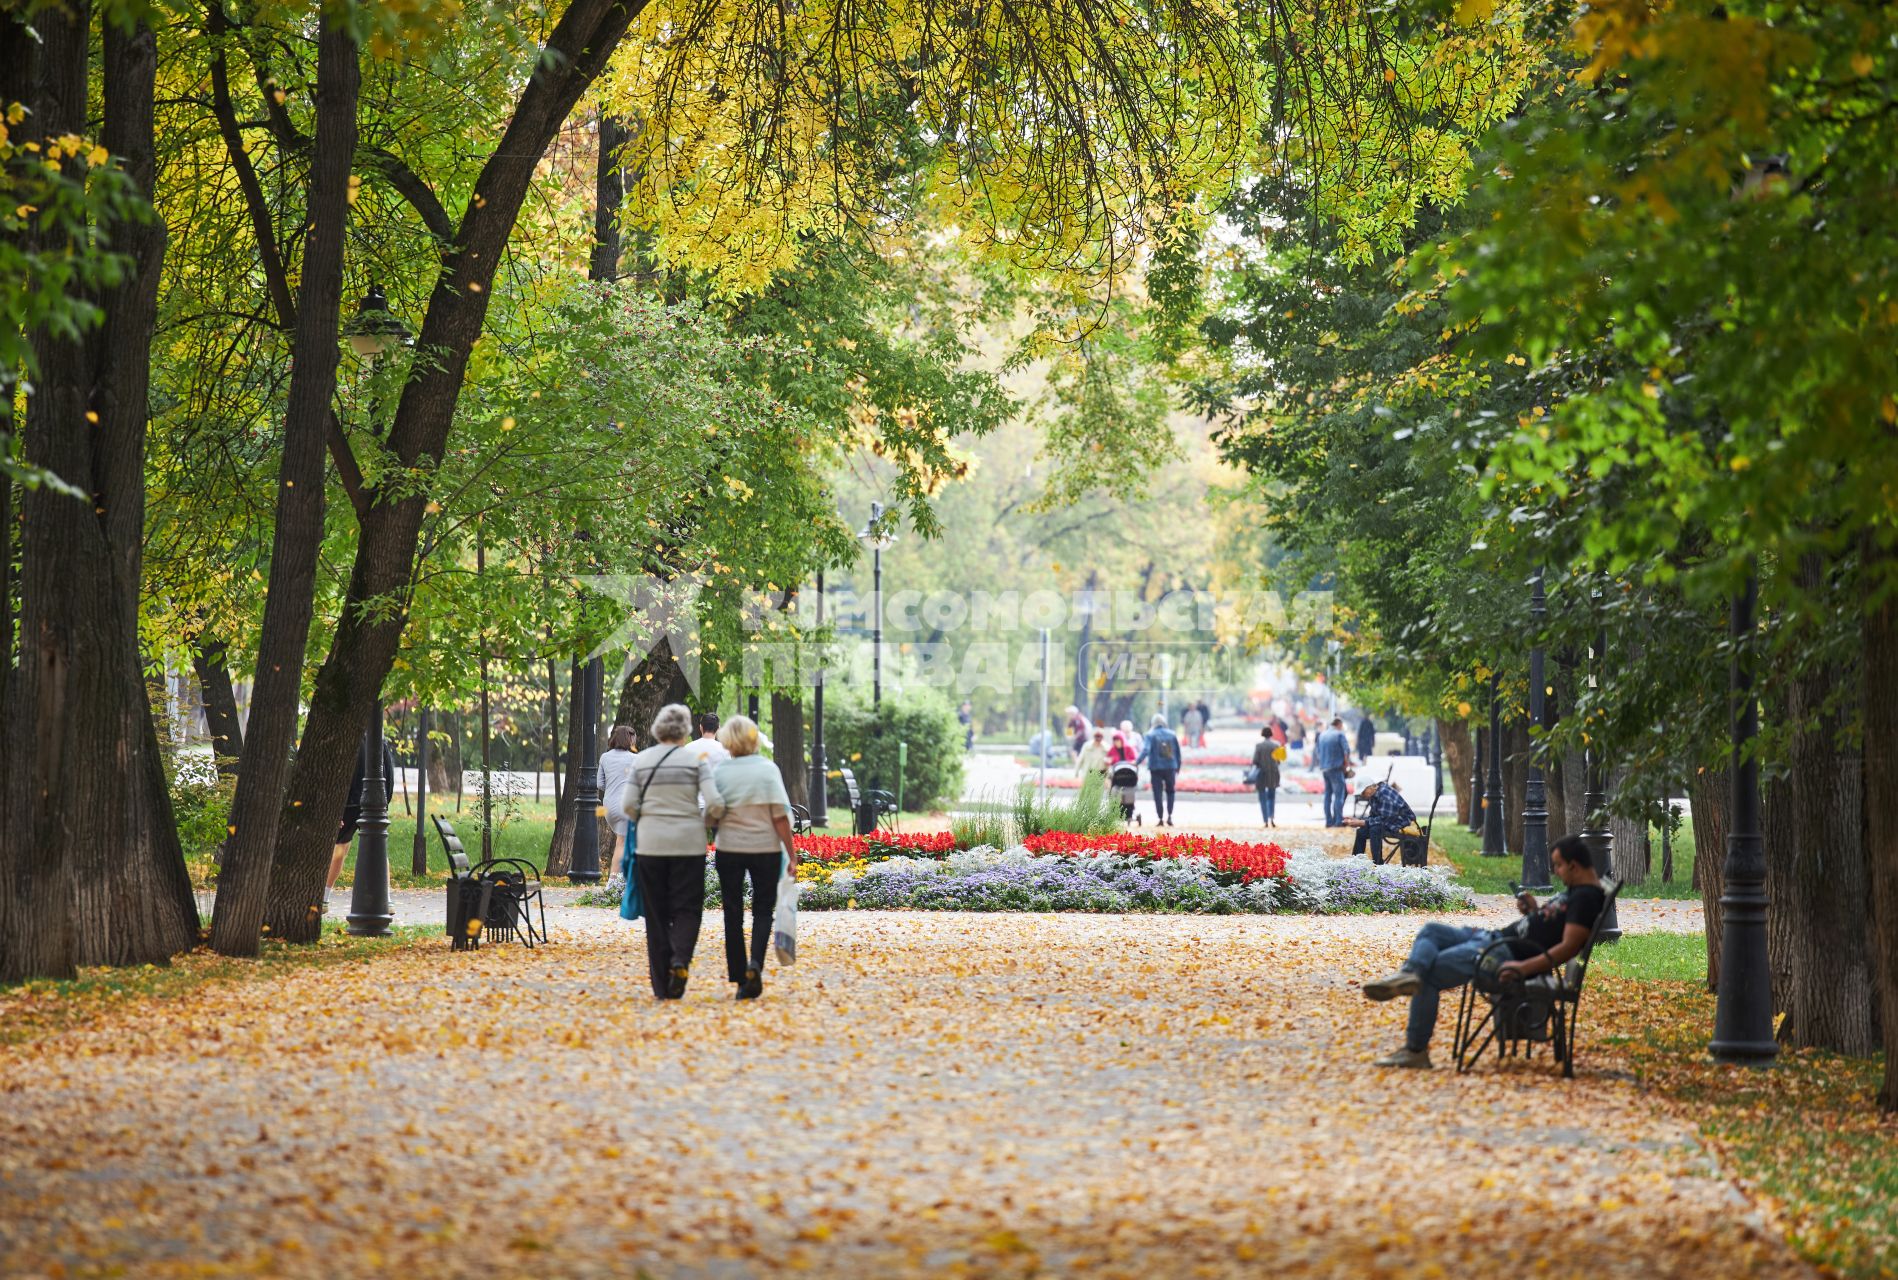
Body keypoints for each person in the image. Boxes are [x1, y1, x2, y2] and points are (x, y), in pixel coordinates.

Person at [1362, 834, 1606, 1069]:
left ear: (1574, 866)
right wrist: (1533, 912)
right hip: (1495, 939)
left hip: (1502, 955)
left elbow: (1567, 948)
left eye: (1559, 866)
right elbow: (1549, 930)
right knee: (1431, 931)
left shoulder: (1585, 899)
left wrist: (1522, 967)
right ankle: (1409, 974)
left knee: (1431, 972)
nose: (1557, 872)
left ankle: (1415, 1050)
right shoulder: (1577, 891)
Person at [623, 703, 721, 1000]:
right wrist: (699, 821)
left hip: (650, 847)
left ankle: (661, 986)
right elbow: (715, 803)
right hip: (688, 846)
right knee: (688, 908)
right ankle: (679, 960)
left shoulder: (642, 761)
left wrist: (650, 818)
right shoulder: (696, 761)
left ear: (657, 728)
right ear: (686, 730)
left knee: (656, 914)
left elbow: (628, 805)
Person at [707, 715, 797, 1000]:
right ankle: (755, 965)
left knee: (732, 912)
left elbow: (712, 814)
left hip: (730, 849)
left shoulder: (721, 772)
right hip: (765, 849)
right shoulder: (768, 770)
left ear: (729, 741)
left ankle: (739, 974)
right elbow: (780, 817)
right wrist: (792, 855)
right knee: (762, 910)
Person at [327, 734, 397, 910]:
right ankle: (386, 899)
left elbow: (339, 775)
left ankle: (324, 896)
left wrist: (336, 806)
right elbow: (389, 772)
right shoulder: (379, 740)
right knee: (378, 848)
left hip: (350, 802)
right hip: (374, 802)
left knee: (340, 848)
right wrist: (384, 801)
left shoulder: (347, 739)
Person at [599, 725, 638, 888]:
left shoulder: (604, 757)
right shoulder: (634, 759)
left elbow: (600, 784)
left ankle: (623, 880)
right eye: (633, 738)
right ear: (629, 739)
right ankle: (613, 883)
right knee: (622, 842)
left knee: (625, 840)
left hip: (609, 806)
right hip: (626, 805)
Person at [1343, 779, 1415, 864]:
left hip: (1402, 821)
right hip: (1389, 820)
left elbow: (1385, 819)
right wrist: (1359, 821)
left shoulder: (1384, 794)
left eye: (1363, 792)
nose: (1362, 795)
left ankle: (1378, 864)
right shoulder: (1374, 795)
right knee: (1361, 832)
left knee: (1375, 829)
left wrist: (1362, 822)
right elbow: (1374, 817)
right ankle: (1356, 863)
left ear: (1369, 787)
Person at [1137, 712, 1182, 826]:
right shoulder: (1172, 734)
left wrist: (1136, 762)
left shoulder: (1150, 735)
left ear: (1153, 724)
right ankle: (1170, 816)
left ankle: (1160, 818)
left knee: (1157, 793)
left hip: (1155, 768)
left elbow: (1146, 750)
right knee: (1171, 791)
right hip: (1170, 767)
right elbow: (1177, 752)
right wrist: (1178, 767)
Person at [1313, 716, 1353, 827]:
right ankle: (1338, 821)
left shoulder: (1322, 735)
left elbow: (1318, 752)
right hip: (1336, 768)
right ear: (1339, 724)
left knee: (1327, 795)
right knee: (1339, 795)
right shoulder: (1339, 734)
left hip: (1325, 769)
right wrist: (1346, 765)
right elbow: (1346, 751)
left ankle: (1328, 821)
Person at [1250, 727, 1281, 828]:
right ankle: (1271, 817)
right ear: (1271, 734)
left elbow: (1255, 761)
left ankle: (1265, 820)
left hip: (1262, 774)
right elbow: (1279, 761)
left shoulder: (1259, 746)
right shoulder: (1276, 745)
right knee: (1271, 797)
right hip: (1273, 774)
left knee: (1262, 797)